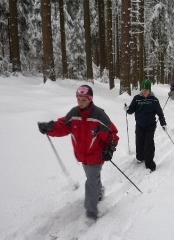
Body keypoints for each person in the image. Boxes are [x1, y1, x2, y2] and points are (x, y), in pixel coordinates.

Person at [38, 85, 119, 220]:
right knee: (92, 177)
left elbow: (112, 133)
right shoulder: (74, 113)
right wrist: (49, 128)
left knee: (91, 182)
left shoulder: (99, 115)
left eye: (84, 100)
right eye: (79, 99)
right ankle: (99, 192)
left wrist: (109, 149)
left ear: (90, 99)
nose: (80, 103)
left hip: (96, 155)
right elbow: (62, 126)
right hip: (82, 156)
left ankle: (91, 213)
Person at [124, 79, 166, 172]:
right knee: (139, 141)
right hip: (139, 124)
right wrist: (127, 109)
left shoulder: (154, 100)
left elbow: (160, 113)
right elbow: (131, 110)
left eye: (146, 90)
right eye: (143, 89)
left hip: (150, 125)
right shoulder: (137, 98)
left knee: (148, 143)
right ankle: (140, 157)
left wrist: (163, 123)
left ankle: (149, 162)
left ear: (149, 90)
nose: (144, 91)